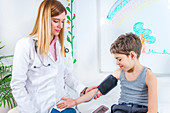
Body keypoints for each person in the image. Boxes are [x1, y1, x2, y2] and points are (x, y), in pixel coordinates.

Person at [10, 0, 88, 113]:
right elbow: (17, 85)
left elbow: (67, 76)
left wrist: (83, 89)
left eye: (63, 21)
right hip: (37, 107)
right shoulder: (25, 45)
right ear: (45, 20)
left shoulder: (64, 45)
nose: (61, 26)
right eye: (56, 21)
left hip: (61, 105)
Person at [56, 33, 158, 113]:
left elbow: (152, 110)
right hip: (122, 110)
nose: (117, 63)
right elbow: (98, 90)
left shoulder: (148, 76)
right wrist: (75, 101)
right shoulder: (119, 73)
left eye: (119, 59)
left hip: (140, 110)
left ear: (132, 55)